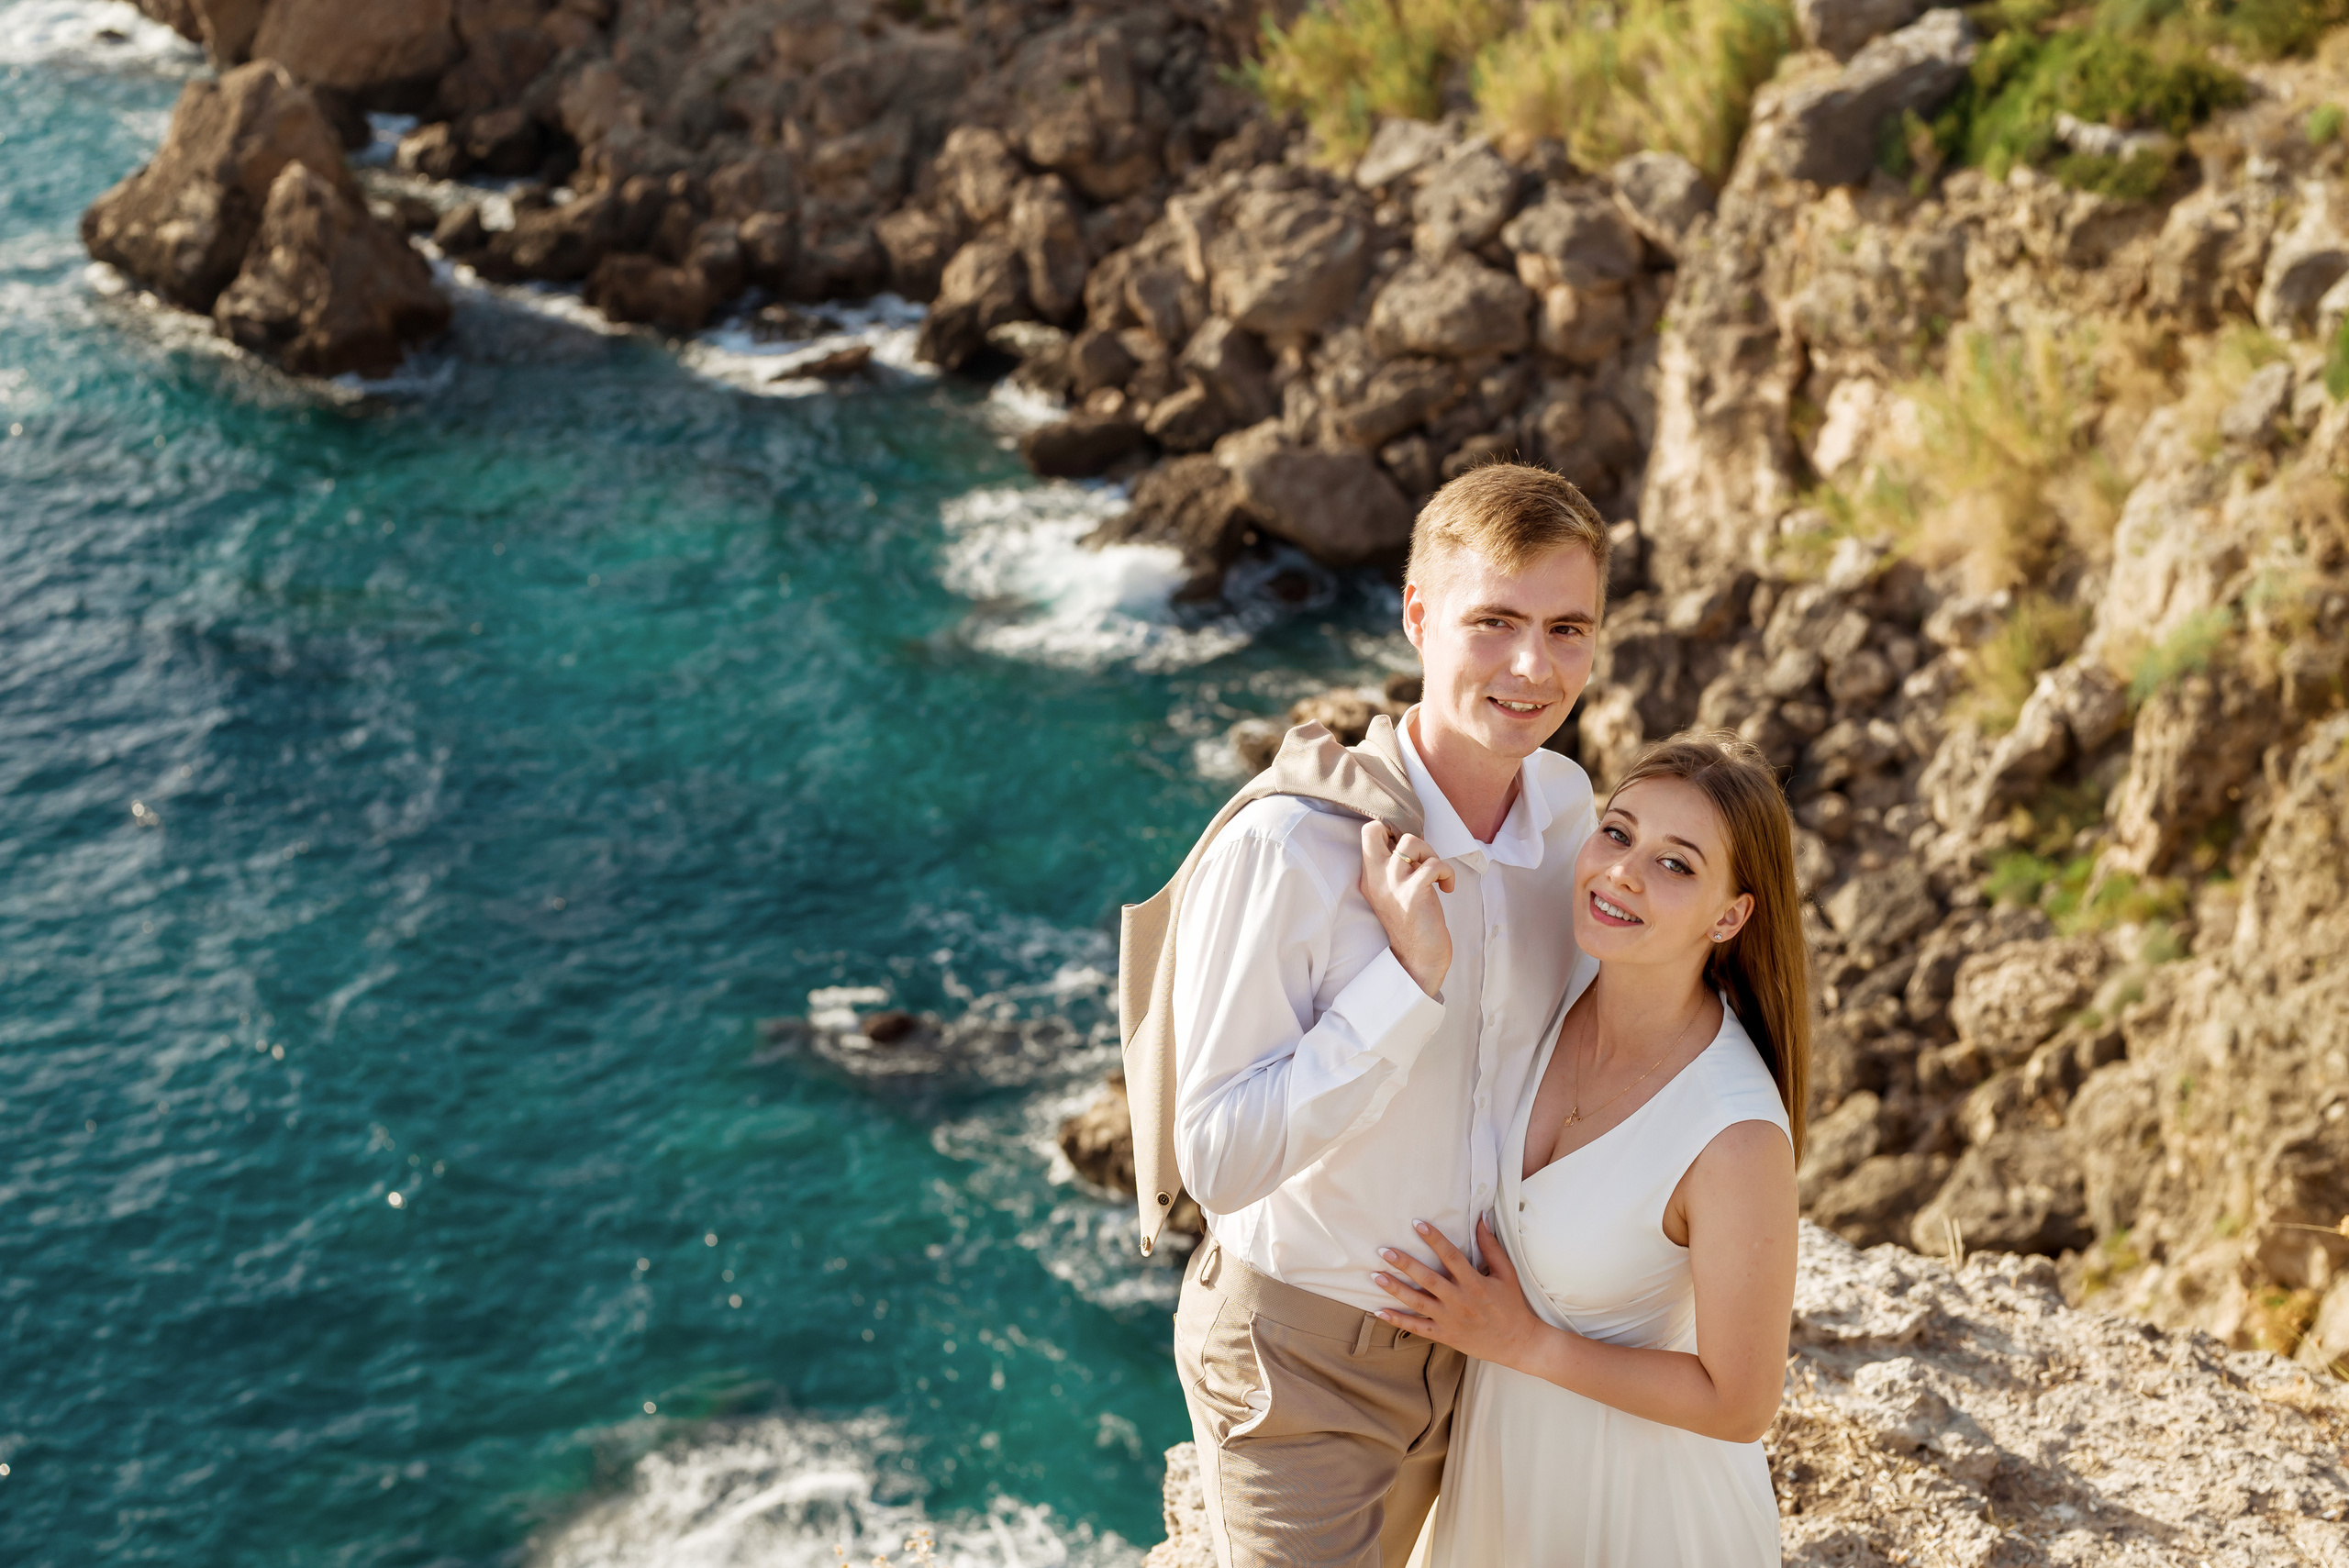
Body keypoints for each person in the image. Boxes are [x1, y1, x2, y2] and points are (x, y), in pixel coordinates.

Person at [1152, 463, 1611, 1567]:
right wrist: (1404, 985)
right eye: (1492, 621)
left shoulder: (1569, 813)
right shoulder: (1290, 847)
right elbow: (1213, 1156)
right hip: (1300, 1359)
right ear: (1416, 616)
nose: (1530, 666)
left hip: (1485, 1348)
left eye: (1566, 627)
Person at [1360, 731, 1811, 1567]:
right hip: (1501, 1478)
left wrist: (1523, 1342)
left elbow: (1742, 1401)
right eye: (1617, 831)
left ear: (1731, 913)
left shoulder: (1735, 1132)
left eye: (1676, 865)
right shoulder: (1551, 985)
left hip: (1646, 1518)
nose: (1623, 873)